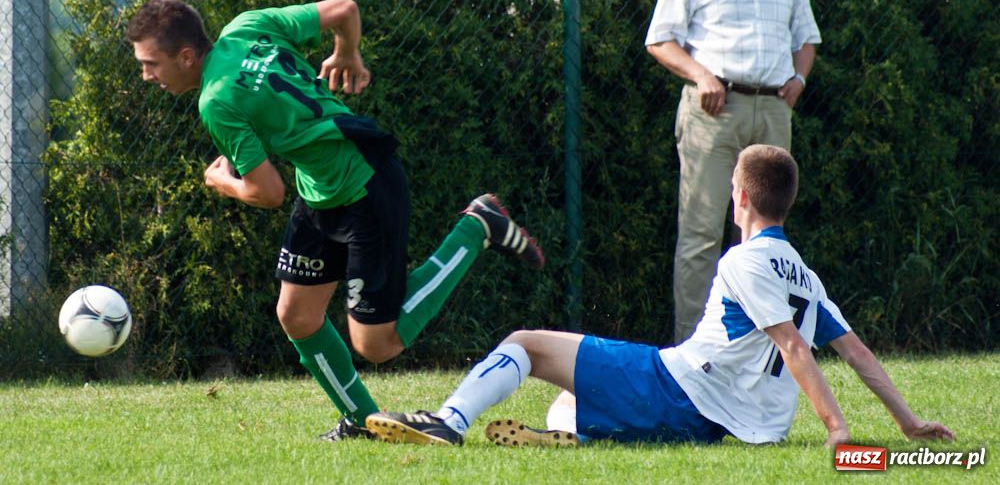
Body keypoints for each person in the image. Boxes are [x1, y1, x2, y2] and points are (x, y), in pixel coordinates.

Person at [126, 0, 545, 441]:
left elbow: (268, 193)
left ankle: (476, 226)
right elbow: (344, 9)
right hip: (320, 191)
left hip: (365, 186)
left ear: (186, 56)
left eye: (150, 63)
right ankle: (362, 422)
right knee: (297, 316)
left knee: (376, 344)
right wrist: (347, 51)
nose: (146, 75)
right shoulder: (247, 25)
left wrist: (224, 183)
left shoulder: (215, 101)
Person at [364, 145, 954, 449]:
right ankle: (582, 437)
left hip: (677, 390)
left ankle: (448, 422)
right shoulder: (804, 273)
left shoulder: (744, 260)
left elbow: (794, 347)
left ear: (740, 199)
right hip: (718, 421)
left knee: (526, 345)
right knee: (562, 408)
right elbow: (857, 353)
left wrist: (836, 429)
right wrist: (908, 424)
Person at [645, 0, 822, 343]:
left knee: (765, 237)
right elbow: (659, 41)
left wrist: (799, 80)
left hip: (772, 110)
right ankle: (691, 346)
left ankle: (758, 341)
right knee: (701, 234)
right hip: (713, 110)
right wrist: (702, 75)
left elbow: (807, 38)